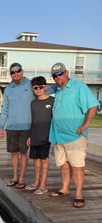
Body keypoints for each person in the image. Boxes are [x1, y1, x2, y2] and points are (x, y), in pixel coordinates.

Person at [49, 62, 99, 208]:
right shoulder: (57, 90)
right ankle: (65, 189)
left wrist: (85, 125)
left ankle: (78, 193)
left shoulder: (79, 86)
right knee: (63, 165)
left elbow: (93, 106)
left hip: (75, 136)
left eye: (60, 73)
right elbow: (40, 89)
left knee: (77, 167)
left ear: (66, 73)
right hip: (58, 136)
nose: (58, 77)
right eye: (55, 75)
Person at [0, 62, 35, 189]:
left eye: (17, 70)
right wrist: (1, 127)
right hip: (12, 127)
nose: (15, 74)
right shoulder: (8, 89)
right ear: (10, 74)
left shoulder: (31, 84)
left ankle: (21, 178)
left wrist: (59, 87)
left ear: (22, 71)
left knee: (23, 153)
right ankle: (14, 177)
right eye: (12, 72)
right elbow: (5, 109)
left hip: (26, 127)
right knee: (14, 153)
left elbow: (45, 89)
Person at [25, 76, 54, 195]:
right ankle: (36, 182)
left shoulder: (52, 101)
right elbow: (33, 120)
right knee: (36, 161)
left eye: (40, 87)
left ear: (45, 87)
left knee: (44, 161)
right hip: (35, 136)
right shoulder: (33, 103)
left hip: (46, 137)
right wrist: (29, 136)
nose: (38, 89)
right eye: (35, 87)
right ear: (33, 89)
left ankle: (43, 185)